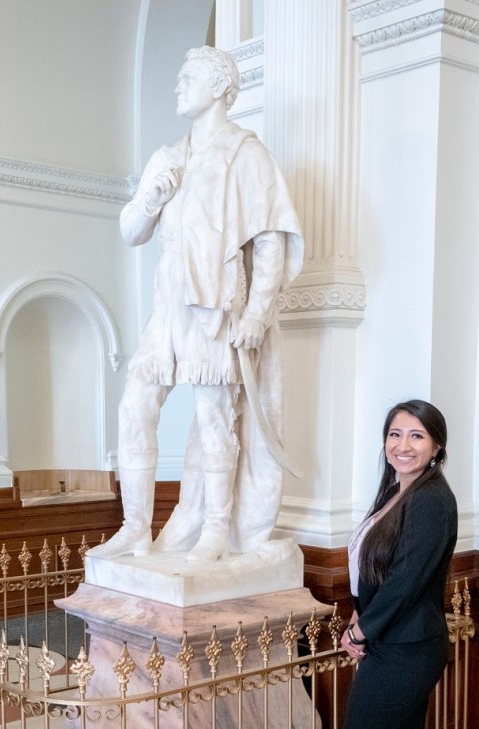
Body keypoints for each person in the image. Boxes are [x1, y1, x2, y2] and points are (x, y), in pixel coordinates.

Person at [89, 46, 303, 563]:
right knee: (134, 407)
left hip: (216, 306)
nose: (178, 85)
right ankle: (136, 526)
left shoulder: (245, 154)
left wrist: (256, 314)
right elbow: (131, 231)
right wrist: (150, 201)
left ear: (220, 86)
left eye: (189, 77)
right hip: (169, 307)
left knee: (214, 419)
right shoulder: (167, 155)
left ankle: (214, 529)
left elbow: (270, 241)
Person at [332, 399, 458, 729]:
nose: (402, 446)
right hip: (401, 638)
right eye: (395, 434)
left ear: (436, 447)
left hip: (403, 645)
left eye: (416, 437)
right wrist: (365, 622)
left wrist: (364, 631)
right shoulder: (400, 491)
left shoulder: (430, 500)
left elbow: (407, 581)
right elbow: (382, 574)